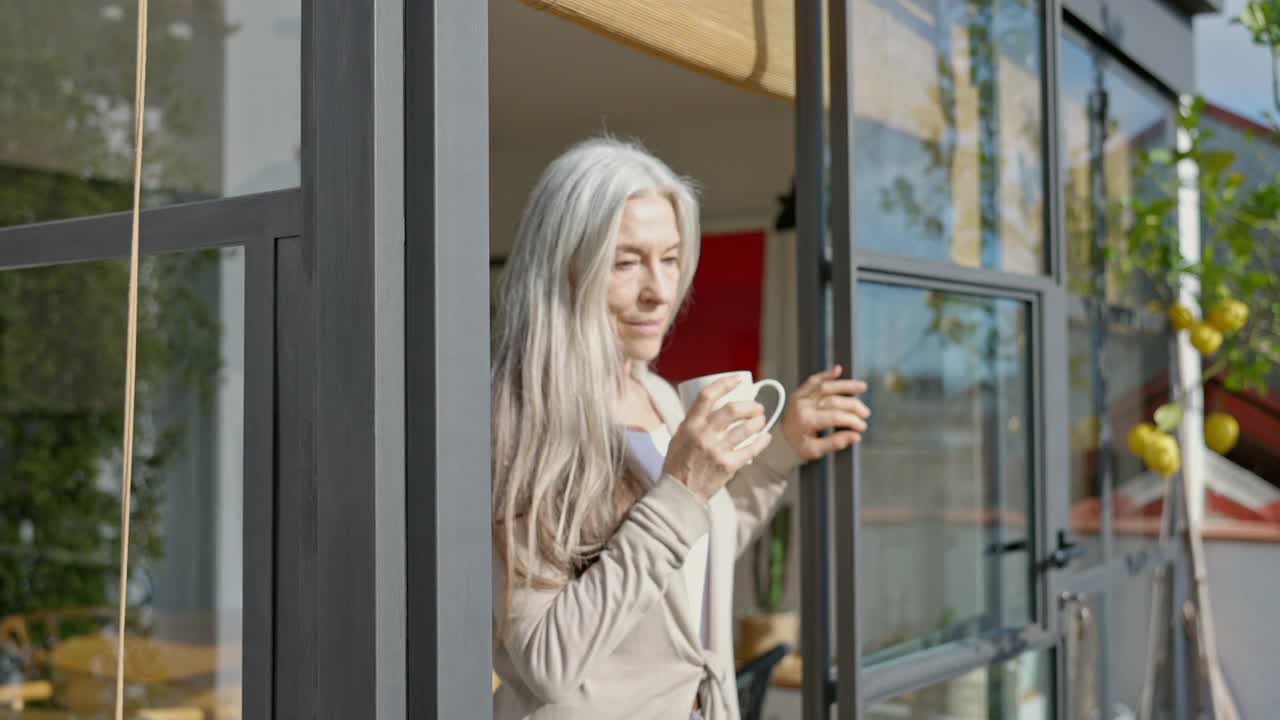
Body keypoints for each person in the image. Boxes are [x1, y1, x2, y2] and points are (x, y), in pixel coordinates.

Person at [491, 137, 871, 720]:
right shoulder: (517, 425)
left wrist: (780, 450)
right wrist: (683, 490)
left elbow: (685, 557)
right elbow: (546, 662)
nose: (661, 291)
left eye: (670, 259)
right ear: (566, 265)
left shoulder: (661, 396)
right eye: (626, 262)